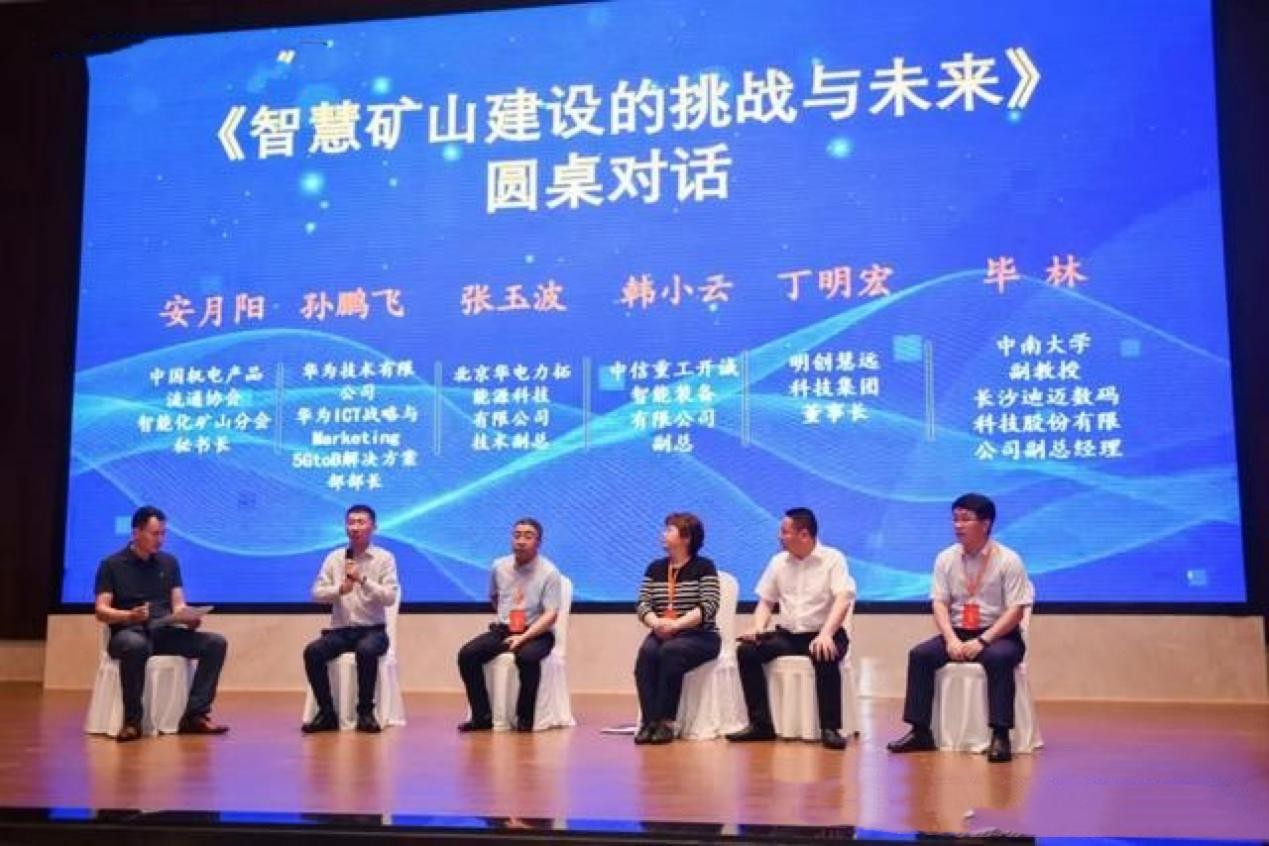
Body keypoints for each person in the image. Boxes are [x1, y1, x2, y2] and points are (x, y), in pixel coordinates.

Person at [886, 493, 1034, 763]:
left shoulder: (1009, 560)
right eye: (955, 519)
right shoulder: (945, 558)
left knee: (999, 659)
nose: (958, 525)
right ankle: (920, 731)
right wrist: (951, 639)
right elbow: (939, 603)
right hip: (958, 632)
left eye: (965, 519)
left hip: (999, 634)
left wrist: (983, 641)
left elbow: (1016, 611)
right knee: (920, 655)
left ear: (986, 524)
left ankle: (1000, 735)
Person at [93, 505, 229, 742]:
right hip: (128, 632)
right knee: (136, 646)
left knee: (215, 643)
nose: (160, 539)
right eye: (155, 534)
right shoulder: (112, 564)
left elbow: (178, 604)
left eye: (163, 534)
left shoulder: (169, 562)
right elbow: (101, 610)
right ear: (136, 532)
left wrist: (188, 618)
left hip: (162, 631)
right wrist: (129, 616)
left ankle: (195, 715)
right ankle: (132, 722)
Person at [726, 507, 854, 750]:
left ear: (804, 534)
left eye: (785, 532)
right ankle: (761, 724)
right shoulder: (778, 562)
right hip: (788, 635)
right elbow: (766, 601)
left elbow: (843, 600)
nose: (780, 536)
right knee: (747, 652)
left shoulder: (833, 559)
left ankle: (830, 728)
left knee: (824, 652)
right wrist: (758, 627)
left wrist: (826, 634)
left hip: (824, 632)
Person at [301, 504, 400, 734]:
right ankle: (327, 713)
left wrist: (362, 579)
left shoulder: (384, 558)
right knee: (312, 652)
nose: (355, 527)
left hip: (373, 630)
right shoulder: (335, 558)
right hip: (341, 631)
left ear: (373, 527)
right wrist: (339, 590)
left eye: (361, 522)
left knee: (366, 650)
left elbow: (389, 597)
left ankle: (365, 712)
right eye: (351, 522)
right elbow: (316, 593)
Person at [456, 518, 562, 732]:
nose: (521, 541)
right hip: (505, 628)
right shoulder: (499, 566)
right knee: (467, 655)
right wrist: (506, 619)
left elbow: (551, 615)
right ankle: (482, 716)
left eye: (528, 536)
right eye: (517, 535)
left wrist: (523, 638)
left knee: (526, 657)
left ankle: (525, 719)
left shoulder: (549, 572)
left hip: (537, 632)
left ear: (539, 542)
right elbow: (494, 596)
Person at [633, 512, 721, 745]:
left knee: (670, 652)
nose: (663, 534)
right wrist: (656, 623)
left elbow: (709, 606)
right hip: (662, 630)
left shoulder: (704, 567)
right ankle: (649, 722)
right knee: (647, 653)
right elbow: (643, 604)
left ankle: (666, 722)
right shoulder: (655, 568)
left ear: (686, 538)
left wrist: (677, 624)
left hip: (700, 634)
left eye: (669, 530)